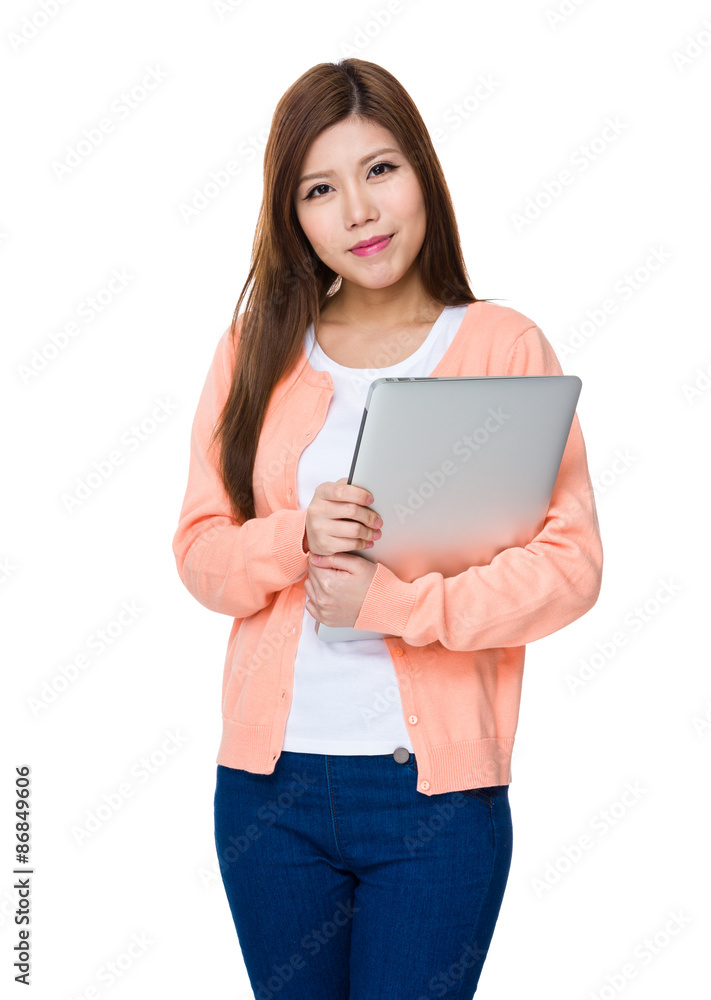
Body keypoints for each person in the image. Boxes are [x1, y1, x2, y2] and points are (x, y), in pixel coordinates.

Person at [171, 57, 603, 1000]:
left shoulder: (501, 345)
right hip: (266, 794)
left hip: (434, 802)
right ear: (292, 215)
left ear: (423, 175)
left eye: (380, 170)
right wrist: (293, 538)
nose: (358, 212)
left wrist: (396, 603)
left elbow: (569, 566)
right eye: (319, 189)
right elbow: (200, 553)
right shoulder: (255, 351)